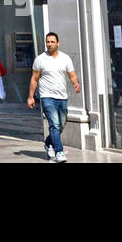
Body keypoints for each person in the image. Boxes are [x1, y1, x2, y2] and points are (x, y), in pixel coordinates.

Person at [27, 32, 81, 162]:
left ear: (58, 43)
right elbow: (34, 79)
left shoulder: (65, 58)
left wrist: (76, 83)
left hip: (62, 97)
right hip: (47, 97)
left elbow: (72, 75)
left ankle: (48, 142)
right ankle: (59, 152)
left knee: (61, 125)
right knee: (55, 125)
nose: (49, 44)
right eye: (47, 42)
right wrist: (31, 96)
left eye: (52, 42)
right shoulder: (40, 59)